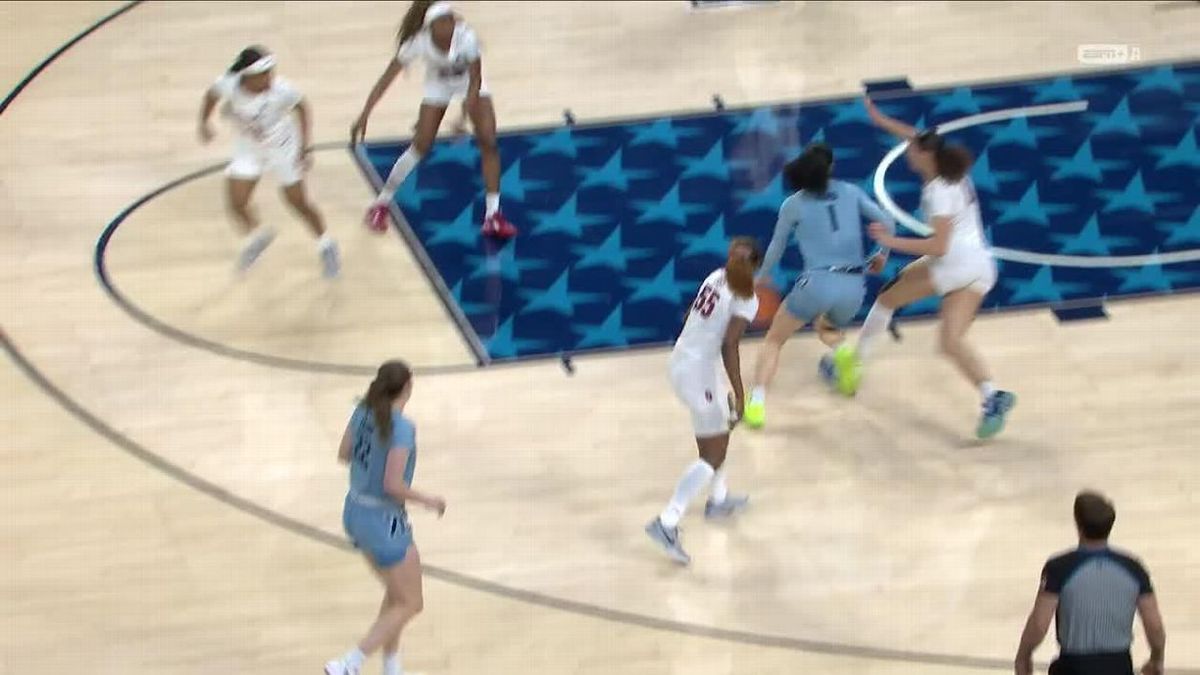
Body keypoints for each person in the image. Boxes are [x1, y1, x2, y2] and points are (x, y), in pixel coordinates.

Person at [832, 96, 1016, 439]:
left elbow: (938, 246)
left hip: (953, 262)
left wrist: (890, 241)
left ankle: (853, 365)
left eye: (912, 151)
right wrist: (881, 119)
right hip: (981, 265)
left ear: (925, 156)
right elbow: (914, 136)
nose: (908, 152)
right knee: (950, 341)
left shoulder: (936, 193)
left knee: (887, 299)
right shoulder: (954, 173)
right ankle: (992, 395)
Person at [742, 143, 893, 429]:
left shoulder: (793, 204)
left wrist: (760, 277)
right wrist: (881, 255)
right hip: (854, 286)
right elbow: (888, 221)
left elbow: (776, 246)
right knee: (827, 327)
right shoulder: (851, 192)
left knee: (774, 340)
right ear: (830, 168)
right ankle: (842, 351)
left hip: (817, 282)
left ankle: (757, 403)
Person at [351, 1, 517, 239]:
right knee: (420, 145)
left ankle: (493, 216)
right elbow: (386, 79)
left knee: (489, 141)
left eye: (451, 19)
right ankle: (381, 204)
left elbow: (475, 80)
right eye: (444, 21)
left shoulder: (466, 37)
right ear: (430, 27)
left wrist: (462, 117)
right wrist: (365, 113)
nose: (450, 24)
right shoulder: (417, 42)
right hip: (438, 85)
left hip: (468, 83)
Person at [645, 238, 762, 565]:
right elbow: (730, 345)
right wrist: (739, 392)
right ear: (756, 266)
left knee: (718, 429)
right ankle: (667, 521)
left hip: (684, 361)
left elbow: (691, 316)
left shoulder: (715, 277)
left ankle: (718, 499)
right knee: (714, 452)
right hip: (698, 372)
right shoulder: (747, 299)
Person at [325, 361, 447, 675]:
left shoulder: (362, 411)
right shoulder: (402, 429)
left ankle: (391, 666)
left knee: (397, 594)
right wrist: (429, 500)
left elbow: (344, 454)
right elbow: (392, 485)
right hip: (382, 520)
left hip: (354, 510)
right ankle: (349, 663)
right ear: (407, 386)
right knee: (411, 602)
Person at [197, 46, 340, 277]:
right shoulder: (228, 84)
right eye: (264, 74)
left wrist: (305, 147)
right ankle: (258, 238)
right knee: (237, 203)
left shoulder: (281, 90)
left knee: (298, 202)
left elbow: (303, 108)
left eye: (271, 72)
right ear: (248, 75)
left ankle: (326, 245)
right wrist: (204, 123)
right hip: (249, 148)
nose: (270, 78)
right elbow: (211, 96)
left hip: (283, 148)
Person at [1014, 491, 1166, 675]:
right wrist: (1156, 659)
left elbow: (1039, 624)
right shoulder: (1134, 568)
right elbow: (1155, 626)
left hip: (1074, 666)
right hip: (1119, 666)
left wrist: (1024, 655)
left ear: (1078, 524)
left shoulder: (1059, 568)